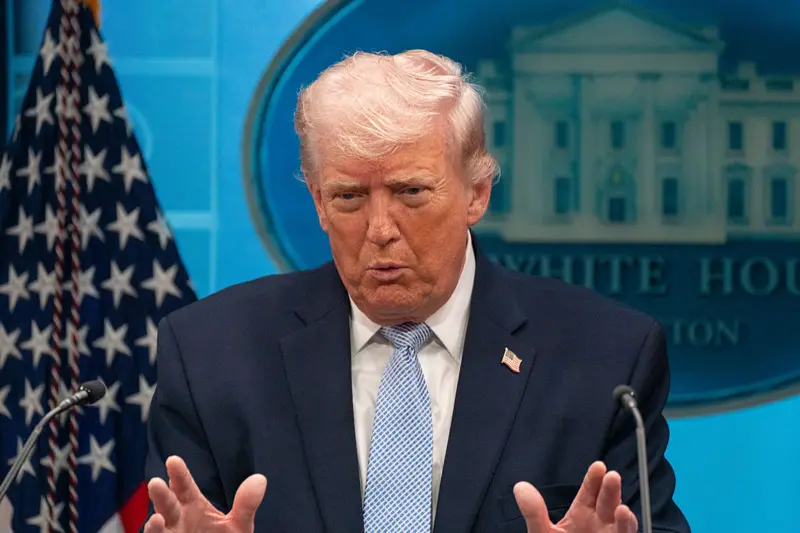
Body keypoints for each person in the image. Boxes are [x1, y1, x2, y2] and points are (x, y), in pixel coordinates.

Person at [142, 49, 690, 533]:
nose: (380, 229)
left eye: (410, 192)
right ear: (318, 202)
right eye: (350, 197)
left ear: (476, 193)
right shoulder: (210, 356)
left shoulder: (606, 360)